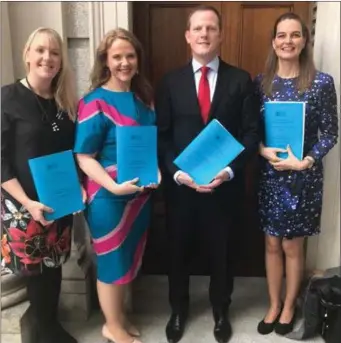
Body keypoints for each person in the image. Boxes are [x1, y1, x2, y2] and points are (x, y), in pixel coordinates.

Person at [155, 5, 261, 343]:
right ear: (187, 36)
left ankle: (220, 310)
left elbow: (250, 134)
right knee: (178, 252)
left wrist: (230, 171)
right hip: (181, 190)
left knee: (223, 253)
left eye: (211, 28)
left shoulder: (241, 79)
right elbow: (163, 135)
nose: (204, 34)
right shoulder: (169, 82)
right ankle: (178, 310)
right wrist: (175, 174)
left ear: (221, 34)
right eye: (198, 28)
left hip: (224, 189)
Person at [254, 12, 338, 336]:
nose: (287, 41)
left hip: (303, 177)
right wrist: (261, 149)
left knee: (292, 246)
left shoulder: (321, 83)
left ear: (304, 41)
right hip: (271, 175)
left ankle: (290, 305)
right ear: (273, 43)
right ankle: (273, 304)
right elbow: (253, 131)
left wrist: (307, 161)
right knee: (272, 244)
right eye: (281, 35)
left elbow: (330, 133)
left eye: (294, 35)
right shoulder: (260, 83)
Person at [74, 28, 159, 343]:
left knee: (127, 258)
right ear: (105, 61)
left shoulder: (143, 100)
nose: (125, 62)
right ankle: (111, 327)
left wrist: (156, 174)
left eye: (130, 56)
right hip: (108, 198)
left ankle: (119, 317)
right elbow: (84, 157)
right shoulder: (93, 102)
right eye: (117, 56)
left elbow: (147, 147)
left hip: (138, 196)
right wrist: (112, 186)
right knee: (111, 261)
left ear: (137, 59)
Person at [1, 27, 79, 343]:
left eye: (55, 52)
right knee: (34, 270)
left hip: (59, 202)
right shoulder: (8, 97)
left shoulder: (65, 103)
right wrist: (27, 202)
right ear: (28, 54)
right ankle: (45, 332)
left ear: (61, 61)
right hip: (23, 205)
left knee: (55, 264)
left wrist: (78, 188)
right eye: (41, 50)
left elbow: (72, 154)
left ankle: (51, 326)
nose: (48, 57)